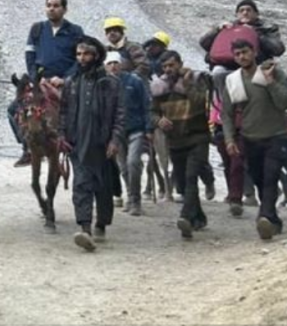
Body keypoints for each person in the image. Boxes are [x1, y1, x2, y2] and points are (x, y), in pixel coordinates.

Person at [221, 39, 287, 240]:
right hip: (250, 138)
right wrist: (229, 139)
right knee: (260, 180)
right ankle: (272, 220)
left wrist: (270, 81)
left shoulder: (272, 72)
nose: (242, 57)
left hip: (276, 135)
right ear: (234, 57)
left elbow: (286, 102)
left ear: (254, 52)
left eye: (245, 52)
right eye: (237, 54)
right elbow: (226, 114)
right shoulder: (233, 80)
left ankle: (264, 218)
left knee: (271, 177)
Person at [60, 37, 124, 252]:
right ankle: (85, 228)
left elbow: (119, 115)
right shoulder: (71, 82)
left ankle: (101, 224)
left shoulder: (110, 83)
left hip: (102, 143)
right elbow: (63, 112)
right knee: (81, 184)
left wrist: (115, 140)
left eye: (86, 54)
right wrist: (62, 136)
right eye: (78, 54)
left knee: (103, 187)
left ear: (96, 56)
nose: (82, 58)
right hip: (77, 142)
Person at [13, 0, 84, 167]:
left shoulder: (75, 31)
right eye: (49, 5)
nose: (51, 8)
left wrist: (65, 78)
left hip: (65, 80)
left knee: (78, 111)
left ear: (64, 9)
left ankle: (76, 146)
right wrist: (35, 78)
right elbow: (30, 55)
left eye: (56, 5)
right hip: (41, 80)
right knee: (13, 109)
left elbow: (80, 59)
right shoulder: (37, 29)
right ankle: (28, 148)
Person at [150, 51, 213, 239]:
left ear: (180, 63)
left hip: (197, 137)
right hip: (175, 141)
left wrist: (187, 83)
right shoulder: (158, 87)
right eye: (165, 67)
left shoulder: (196, 79)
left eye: (172, 65)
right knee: (183, 182)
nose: (169, 70)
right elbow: (152, 112)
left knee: (191, 176)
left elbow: (199, 103)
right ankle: (198, 217)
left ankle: (185, 217)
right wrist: (158, 121)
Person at [104, 53, 151, 216]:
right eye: (109, 63)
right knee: (123, 168)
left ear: (122, 64)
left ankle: (136, 200)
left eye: (116, 62)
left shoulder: (134, 81)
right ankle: (130, 197)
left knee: (133, 163)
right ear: (104, 66)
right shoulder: (103, 84)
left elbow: (146, 104)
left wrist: (148, 128)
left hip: (135, 129)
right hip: (116, 133)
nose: (113, 66)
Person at [200, 0, 286, 65]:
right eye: (241, 10)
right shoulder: (227, 28)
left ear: (256, 14)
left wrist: (256, 34)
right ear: (237, 15)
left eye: (249, 10)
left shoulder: (267, 28)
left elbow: (278, 50)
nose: (245, 13)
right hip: (227, 64)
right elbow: (203, 44)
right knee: (218, 73)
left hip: (258, 65)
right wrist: (217, 30)